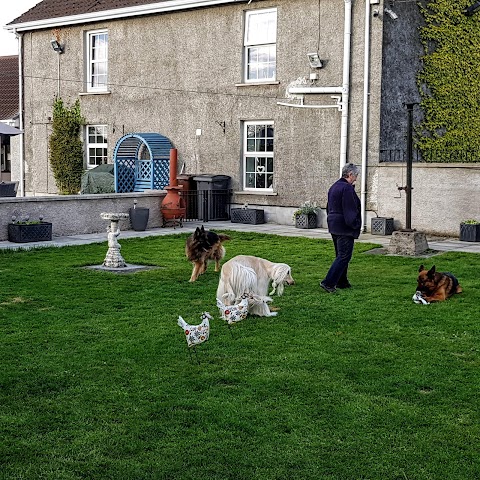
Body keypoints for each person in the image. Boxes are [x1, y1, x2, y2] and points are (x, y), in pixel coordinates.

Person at [320, 163, 361, 293]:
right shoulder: (347, 188)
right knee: (344, 256)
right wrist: (354, 224)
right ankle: (328, 282)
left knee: (341, 255)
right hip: (344, 227)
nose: (356, 179)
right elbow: (350, 209)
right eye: (356, 176)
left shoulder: (334, 186)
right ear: (350, 174)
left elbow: (329, 207)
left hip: (334, 225)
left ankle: (342, 281)